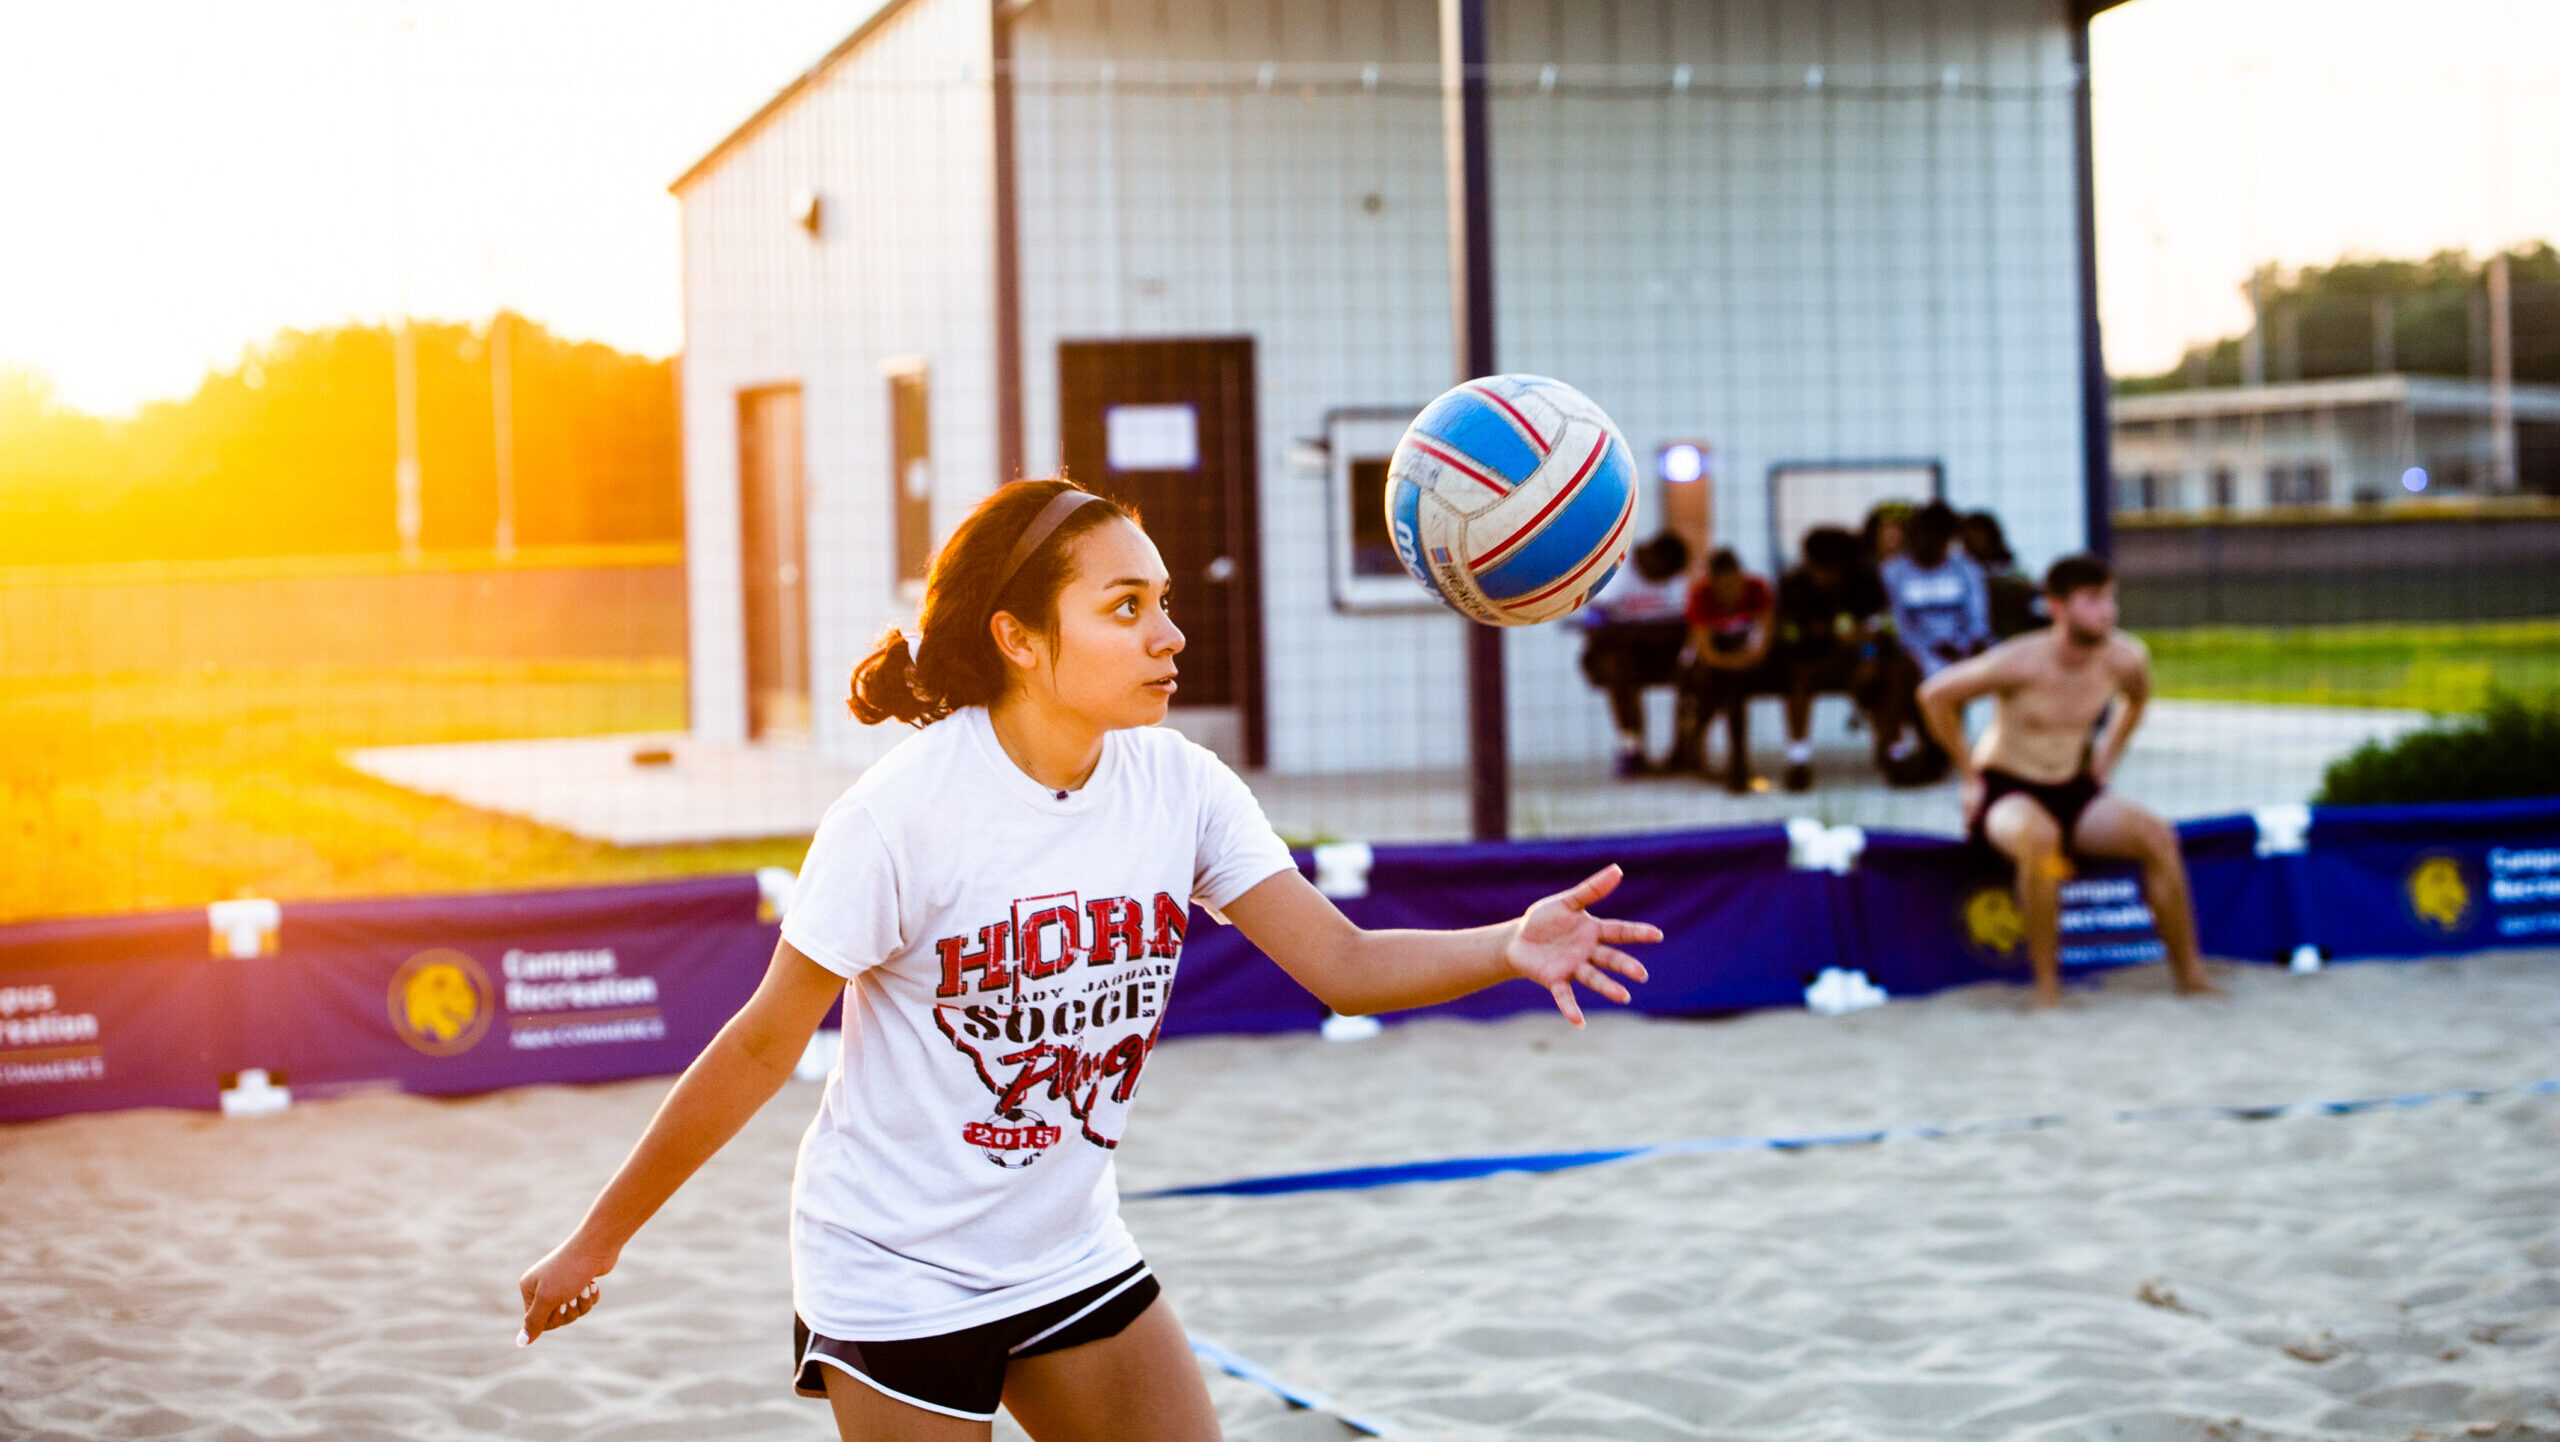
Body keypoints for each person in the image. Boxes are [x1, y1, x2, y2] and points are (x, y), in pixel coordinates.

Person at [514, 478, 1660, 1442]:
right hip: (895, 1262)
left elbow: (1344, 963)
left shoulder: (1181, 785)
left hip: (1064, 1245)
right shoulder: (900, 816)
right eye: (1125, 607)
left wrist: (1508, 943)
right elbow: (765, 1041)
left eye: (1162, 602)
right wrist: (598, 1236)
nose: (1168, 634)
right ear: (1019, 636)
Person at [1915, 552, 2220, 1010]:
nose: (2108, 611)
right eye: (2093, 600)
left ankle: (2190, 977)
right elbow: (1933, 696)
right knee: (2040, 841)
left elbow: (2135, 703)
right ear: (2057, 607)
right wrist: (1968, 775)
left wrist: (2107, 755)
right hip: (2006, 788)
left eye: (2110, 599)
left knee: (2158, 836)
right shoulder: (2020, 660)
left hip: (2073, 787)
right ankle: (2048, 992)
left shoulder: (2126, 657)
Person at [1874, 501, 1992, 781]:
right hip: (1913, 653)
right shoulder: (1894, 571)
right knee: (1905, 674)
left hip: (1958, 650)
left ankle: (1941, 749)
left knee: (1958, 677)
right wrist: (1926, 648)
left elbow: (1977, 619)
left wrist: (1964, 645)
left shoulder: (1966, 570)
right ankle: (1892, 747)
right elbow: (1898, 624)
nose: (1929, 543)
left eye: (1938, 537)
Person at [1770, 526, 1890, 792]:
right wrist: (1830, 636)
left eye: (1835, 570)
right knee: (1797, 680)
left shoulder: (1865, 581)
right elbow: (1790, 639)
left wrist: (1868, 656)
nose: (1828, 577)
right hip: (1809, 659)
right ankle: (1798, 759)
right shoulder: (1794, 584)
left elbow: (1878, 629)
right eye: (1822, 570)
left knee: (1883, 674)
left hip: (1858, 657)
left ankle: (1891, 749)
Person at [1574, 531, 1693, 777]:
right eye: (1660, 574)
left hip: (1658, 653)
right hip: (1614, 654)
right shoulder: (1618, 567)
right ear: (1652, 557)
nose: (1661, 581)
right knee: (1619, 667)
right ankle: (1630, 747)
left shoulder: (1674, 579)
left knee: (1694, 670)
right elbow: (1594, 620)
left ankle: (1686, 749)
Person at [1673, 548, 1777, 793]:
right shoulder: (1701, 594)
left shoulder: (1757, 588)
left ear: (1741, 575)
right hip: (1706, 666)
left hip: (1739, 665)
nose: (1730, 589)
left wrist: (1748, 659)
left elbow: (1766, 636)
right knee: (1719, 692)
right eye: (1724, 584)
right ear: (1714, 582)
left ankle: (1735, 762)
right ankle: (1710, 753)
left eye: (1734, 581)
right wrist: (1740, 662)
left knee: (1733, 694)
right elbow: (1707, 653)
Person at [1960, 510, 2047, 640]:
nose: (1977, 540)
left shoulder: (2008, 566)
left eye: (1980, 534)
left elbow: (2026, 584)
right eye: (1970, 536)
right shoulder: (1960, 569)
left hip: (2013, 633)